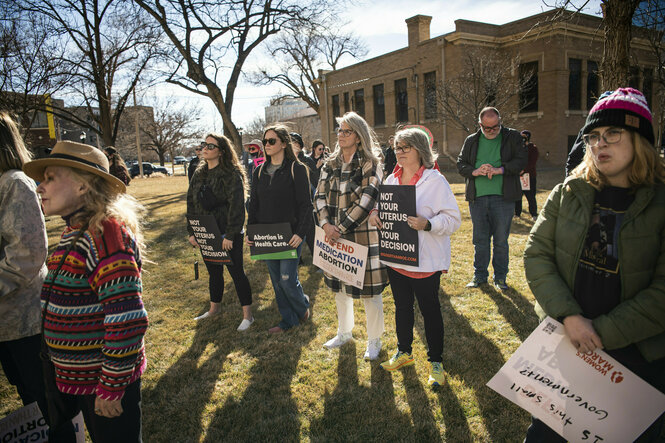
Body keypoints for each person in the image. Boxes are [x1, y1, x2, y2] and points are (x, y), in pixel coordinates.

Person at [523, 87, 665, 442]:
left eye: (613, 134)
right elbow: (536, 255)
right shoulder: (567, 193)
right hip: (566, 345)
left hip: (637, 359)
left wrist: (599, 333)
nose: (601, 144)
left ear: (640, 139)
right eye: (594, 136)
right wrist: (570, 317)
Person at [23, 140, 149, 442]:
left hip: (103, 387)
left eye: (51, 178)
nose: (40, 187)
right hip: (78, 382)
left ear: (82, 186)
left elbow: (128, 319)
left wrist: (111, 388)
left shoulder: (105, 234)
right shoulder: (75, 231)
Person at [369, 127, 461, 386]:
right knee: (402, 307)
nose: (398, 153)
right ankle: (404, 352)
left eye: (404, 147)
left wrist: (428, 224)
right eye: (396, 148)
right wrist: (375, 213)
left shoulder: (435, 181)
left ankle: (436, 362)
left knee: (430, 311)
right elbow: (382, 206)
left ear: (420, 150)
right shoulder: (391, 180)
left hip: (425, 261)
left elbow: (454, 220)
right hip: (397, 258)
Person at [314, 111, 388, 361]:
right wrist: (325, 225)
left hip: (362, 235)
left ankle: (374, 340)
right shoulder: (330, 163)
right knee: (339, 287)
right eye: (339, 131)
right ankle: (344, 332)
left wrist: (339, 229)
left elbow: (368, 199)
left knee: (370, 291)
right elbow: (319, 196)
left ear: (359, 136)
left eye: (346, 131)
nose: (341, 135)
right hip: (332, 236)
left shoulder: (371, 162)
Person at [0, 113, 49, 420]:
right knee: (27, 396)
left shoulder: (15, 183)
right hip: (6, 324)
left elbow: (27, 254)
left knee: (43, 397)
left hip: (25, 319)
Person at [247, 125, 312, 333]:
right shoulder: (258, 172)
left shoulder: (297, 169)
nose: (266, 145)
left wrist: (299, 234)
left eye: (271, 141)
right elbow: (254, 205)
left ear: (284, 143)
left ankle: (302, 307)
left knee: (287, 279)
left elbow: (305, 205)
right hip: (267, 236)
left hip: (290, 234)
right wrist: (251, 232)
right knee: (277, 282)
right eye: (265, 141)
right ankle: (289, 320)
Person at [187, 134, 254, 330]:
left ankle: (248, 316)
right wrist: (192, 231)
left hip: (227, 233)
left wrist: (231, 235)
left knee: (236, 273)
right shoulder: (199, 173)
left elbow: (237, 206)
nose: (205, 148)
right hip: (206, 232)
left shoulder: (231, 173)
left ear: (221, 151)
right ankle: (214, 308)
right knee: (214, 273)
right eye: (203, 145)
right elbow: (190, 202)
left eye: (210, 145)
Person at [457, 106, 527, 290]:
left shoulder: (512, 137)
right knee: (480, 240)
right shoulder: (471, 140)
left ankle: (500, 277)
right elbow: (460, 164)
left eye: (496, 126)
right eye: (487, 128)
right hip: (477, 198)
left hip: (504, 198)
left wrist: (500, 170)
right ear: (480, 125)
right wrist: (475, 171)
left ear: (500, 122)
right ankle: (480, 276)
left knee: (501, 241)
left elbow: (521, 160)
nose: (492, 131)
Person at [514, 130, 539, 220]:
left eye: (524, 137)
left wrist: (524, 170)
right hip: (519, 176)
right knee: (517, 195)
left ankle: (533, 214)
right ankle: (517, 213)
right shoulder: (518, 148)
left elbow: (532, 162)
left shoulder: (533, 148)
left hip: (529, 176)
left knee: (531, 196)